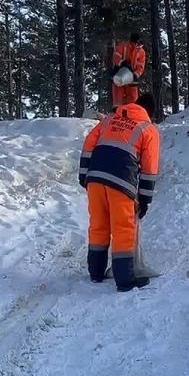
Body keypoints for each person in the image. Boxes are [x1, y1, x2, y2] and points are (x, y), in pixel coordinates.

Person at [79, 93, 161, 292]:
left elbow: (89, 143)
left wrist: (84, 175)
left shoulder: (110, 119)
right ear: (149, 112)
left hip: (95, 178)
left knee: (98, 225)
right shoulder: (147, 129)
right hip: (122, 182)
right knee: (123, 228)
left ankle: (96, 272)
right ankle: (125, 280)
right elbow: (149, 168)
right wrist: (144, 198)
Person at [110, 33, 147, 107]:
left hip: (131, 78)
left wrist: (135, 74)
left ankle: (131, 115)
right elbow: (116, 56)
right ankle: (117, 114)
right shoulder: (123, 47)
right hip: (119, 74)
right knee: (118, 100)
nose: (135, 44)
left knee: (132, 100)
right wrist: (121, 64)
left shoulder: (141, 52)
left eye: (137, 42)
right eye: (134, 42)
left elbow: (140, 66)